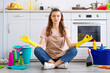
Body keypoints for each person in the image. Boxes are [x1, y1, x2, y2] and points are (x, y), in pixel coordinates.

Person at [20, 8, 93, 70]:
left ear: (61, 17)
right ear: (50, 18)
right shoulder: (46, 30)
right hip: (48, 57)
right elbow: (41, 46)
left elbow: (70, 45)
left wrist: (82, 41)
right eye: (54, 16)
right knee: (37, 50)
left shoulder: (65, 30)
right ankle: (59, 65)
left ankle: (53, 65)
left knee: (74, 50)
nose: (56, 18)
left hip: (61, 56)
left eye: (58, 16)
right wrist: (30, 41)